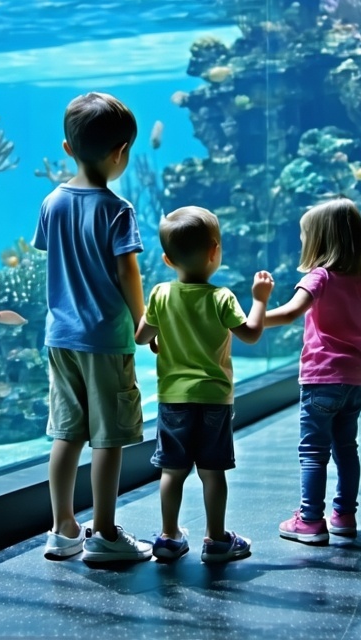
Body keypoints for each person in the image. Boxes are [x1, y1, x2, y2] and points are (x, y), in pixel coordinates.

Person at [34, 92, 152, 563]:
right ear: (122, 152)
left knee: (67, 433)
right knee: (109, 437)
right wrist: (146, 323)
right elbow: (128, 273)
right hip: (105, 339)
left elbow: (54, 257)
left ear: (67, 148)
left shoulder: (52, 202)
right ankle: (103, 532)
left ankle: (62, 528)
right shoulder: (117, 209)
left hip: (60, 338)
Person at [262, 198, 361, 544]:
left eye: (306, 236)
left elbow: (290, 313)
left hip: (321, 380)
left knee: (312, 452)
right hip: (353, 383)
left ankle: (310, 520)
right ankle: (344, 515)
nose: (303, 242)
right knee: (346, 449)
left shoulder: (319, 277)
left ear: (320, 240)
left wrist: (249, 320)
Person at [135, 206, 273, 563]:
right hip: (214, 399)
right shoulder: (222, 297)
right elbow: (252, 335)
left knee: (172, 471)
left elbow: (141, 336)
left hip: (173, 400)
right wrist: (259, 300)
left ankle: (168, 537)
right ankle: (216, 541)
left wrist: (158, 337)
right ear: (215, 251)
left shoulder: (161, 294)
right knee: (212, 473)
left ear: (166, 259)